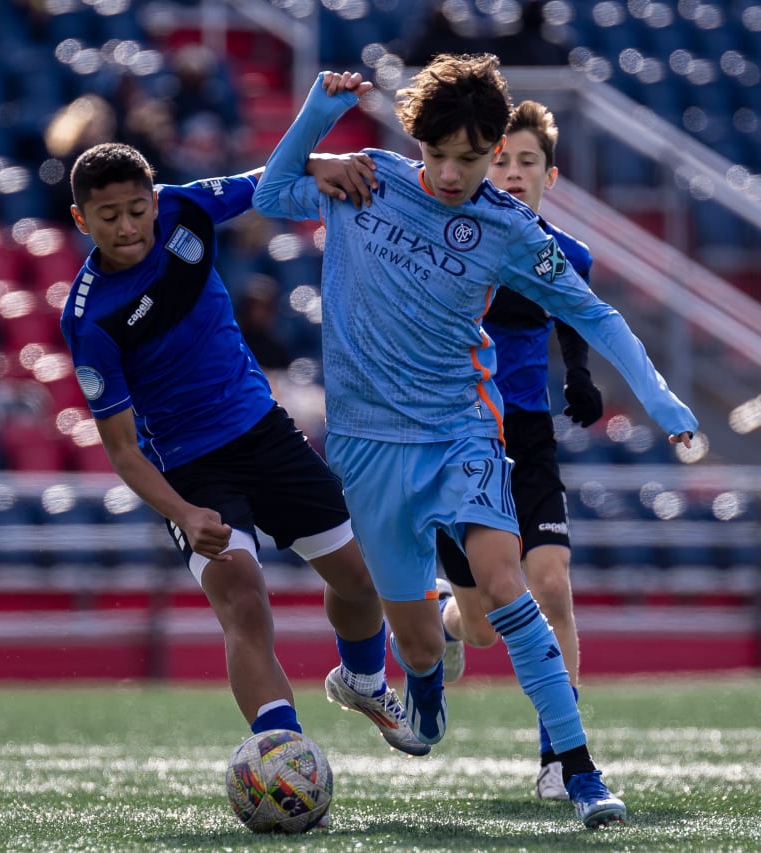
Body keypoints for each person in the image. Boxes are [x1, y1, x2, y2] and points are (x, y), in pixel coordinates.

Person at [252, 56, 698, 829]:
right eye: (438, 154)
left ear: (497, 148)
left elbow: (595, 315)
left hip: (461, 429)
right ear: (415, 142)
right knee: (421, 643)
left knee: (505, 582)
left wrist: (658, 396)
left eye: (472, 156)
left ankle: (580, 771)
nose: (453, 172)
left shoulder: (510, 229)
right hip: (366, 446)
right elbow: (269, 191)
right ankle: (422, 695)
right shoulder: (369, 182)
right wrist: (318, 122)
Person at [59, 142, 425, 757]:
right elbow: (123, 451)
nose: (126, 227)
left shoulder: (186, 210)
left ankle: (361, 679)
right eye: (108, 216)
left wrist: (324, 161)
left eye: (135, 209)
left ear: (154, 200)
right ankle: (285, 758)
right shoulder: (89, 319)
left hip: (264, 433)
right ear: (81, 220)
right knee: (244, 602)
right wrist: (182, 512)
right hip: (192, 470)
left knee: (362, 581)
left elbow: (267, 176)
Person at [433, 98, 606, 802]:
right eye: (499, 160)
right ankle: (446, 617)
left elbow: (577, 315)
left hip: (527, 436)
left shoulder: (571, 255)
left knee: (553, 585)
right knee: (479, 628)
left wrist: (584, 377)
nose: (511, 172)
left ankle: (556, 759)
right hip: (458, 434)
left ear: (550, 175)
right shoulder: (450, 239)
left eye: (526, 162)